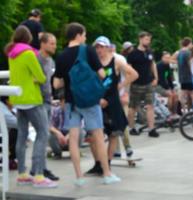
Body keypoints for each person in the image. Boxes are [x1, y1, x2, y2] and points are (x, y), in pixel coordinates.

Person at [53, 22, 120, 185]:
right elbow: (103, 74)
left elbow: (56, 84)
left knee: (74, 139)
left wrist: (70, 81)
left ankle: (79, 177)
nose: (85, 37)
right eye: (84, 34)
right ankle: (107, 174)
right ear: (78, 35)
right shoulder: (88, 50)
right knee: (98, 136)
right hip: (90, 100)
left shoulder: (61, 56)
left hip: (71, 101)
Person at [5, 25, 57, 188]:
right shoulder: (28, 54)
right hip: (32, 99)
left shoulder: (12, 54)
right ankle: (39, 176)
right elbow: (41, 77)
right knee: (42, 133)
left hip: (18, 98)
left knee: (22, 135)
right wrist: (36, 79)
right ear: (28, 39)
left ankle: (22, 174)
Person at [86, 36, 138, 176]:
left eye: (101, 47)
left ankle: (107, 164)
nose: (99, 50)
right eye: (96, 47)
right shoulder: (92, 62)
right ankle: (98, 164)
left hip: (112, 101)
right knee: (93, 135)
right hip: (97, 101)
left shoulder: (117, 60)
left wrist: (120, 86)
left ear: (108, 47)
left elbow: (133, 74)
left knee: (114, 133)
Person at [29, 32, 60, 181]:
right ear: (43, 44)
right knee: (43, 134)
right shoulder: (37, 59)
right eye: (52, 43)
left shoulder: (51, 60)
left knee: (42, 135)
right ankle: (40, 169)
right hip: (38, 101)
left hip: (48, 100)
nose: (55, 46)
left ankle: (37, 168)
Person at [126, 31, 159, 137]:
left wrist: (155, 77)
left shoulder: (149, 52)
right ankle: (132, 127)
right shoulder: (132, 54)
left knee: (150, 105)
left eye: (149, 39)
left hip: (148, 82)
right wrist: (129, 82)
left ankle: (151, 129)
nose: (148, 41)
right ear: (140, 39)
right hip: (136, 83)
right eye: (146, 39)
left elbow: (152, 64)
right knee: (133, 107)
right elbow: (128, 68)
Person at [112, 43, 135, 158]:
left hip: (120, 96)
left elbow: (128, 75)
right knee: (112, 123)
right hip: (110, 97)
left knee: (122, 121)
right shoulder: (100, 59)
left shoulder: (119, 59)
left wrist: (125, 92)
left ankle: (127, 146)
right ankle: (116, 149)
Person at [156, 52, 178, 117]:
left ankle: (174, 112)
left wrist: (172, 88)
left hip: (164, 85)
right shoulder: (160, 65)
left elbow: (169, 78)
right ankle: (169, 113)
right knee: (170, 95)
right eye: (166, 58)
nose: (168, 59)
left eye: (169, 58)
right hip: (157, 85)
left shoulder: (167, 65)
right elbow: (161, 79)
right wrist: (168, 89)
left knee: (176, 95)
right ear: (162, 58)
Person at [176, 37, 193, 110]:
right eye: (191, 43)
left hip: (181, 75)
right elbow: (190, 64)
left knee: (183, 93)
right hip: (188, 76)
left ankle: (183, 109)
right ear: (189, 44)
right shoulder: (188, 52)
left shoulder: (180, 52)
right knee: (192, 93)